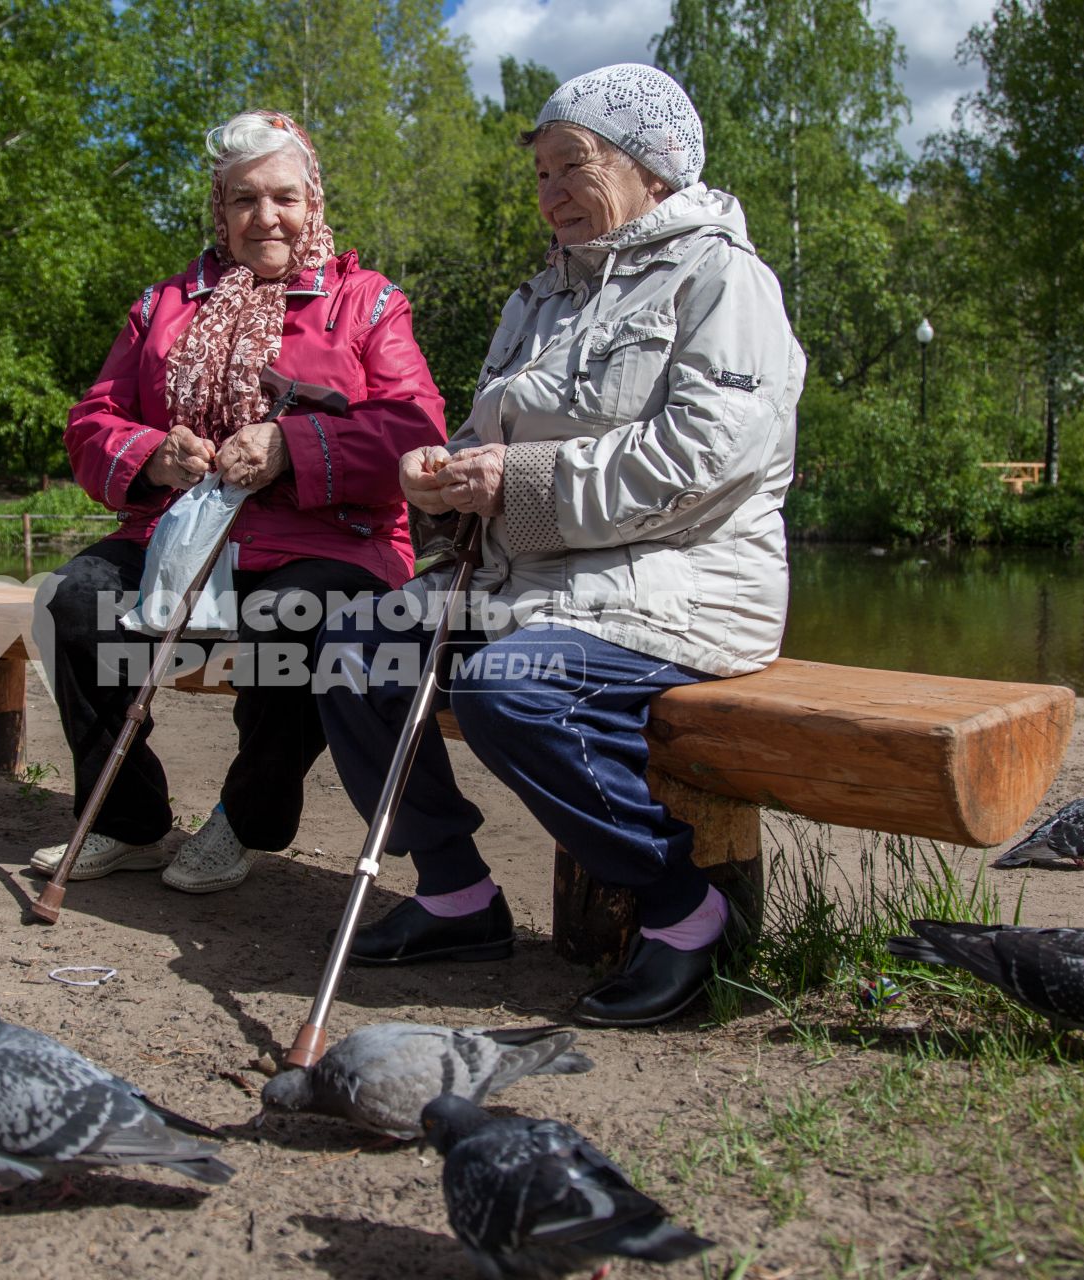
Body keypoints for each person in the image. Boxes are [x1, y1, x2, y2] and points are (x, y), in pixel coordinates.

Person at [316, 64, 805, 1027]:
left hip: (682, 584)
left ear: (655, 169)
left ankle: (683, 907)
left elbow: (703, 459)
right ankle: (456, 893)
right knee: (348, 650)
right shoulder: (537, 301)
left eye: (572, 165)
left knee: (511, 686)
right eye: (540, 174)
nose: (551, 194)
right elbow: (489, 447)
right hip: (529, 581)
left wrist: (517, 487)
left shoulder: (724, 279)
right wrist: (445, 480)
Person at [30, 111, 446, 895]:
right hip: (182, 531)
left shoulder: (366, 303)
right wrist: (153, 455)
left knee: (290, 618)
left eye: (284, 197)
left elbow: (416, 427)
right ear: (218, 209)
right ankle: (128, 820)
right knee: (73, 603)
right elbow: (93, 423)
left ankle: (248, 818)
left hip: (330, 539)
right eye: (244, 200)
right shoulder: (165, 306)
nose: (266, 217)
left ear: (313, 200)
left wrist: (294, 447)